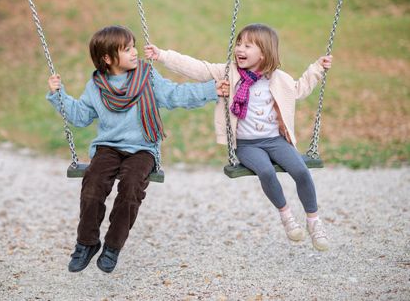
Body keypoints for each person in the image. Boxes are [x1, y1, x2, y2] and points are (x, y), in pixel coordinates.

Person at [47, 25, 229, 273]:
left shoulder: (147, 77)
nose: (135, 53)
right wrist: (59, 95)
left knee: (131, 187)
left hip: (143, 148)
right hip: (109, 147)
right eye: (127, 49)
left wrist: (210, 90)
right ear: (108, 59)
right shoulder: (97, 86)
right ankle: (86, 242)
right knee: (93, 183)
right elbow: (80, 116)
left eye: (133, 46)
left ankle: (112, 246)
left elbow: (175, 94)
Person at [144, 23, 332, 251]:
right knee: (265, 171)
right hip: (247, 145)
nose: (239, 49)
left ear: (264, 53)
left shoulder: (278, 79)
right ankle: (286, 216)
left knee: (301, 170)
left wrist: (317, 69)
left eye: (248, 46)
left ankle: (313, 221)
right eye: (239, 44)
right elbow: (197, 68)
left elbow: (300, 88)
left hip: (275, 140)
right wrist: (163, 55)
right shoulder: (229, 73)